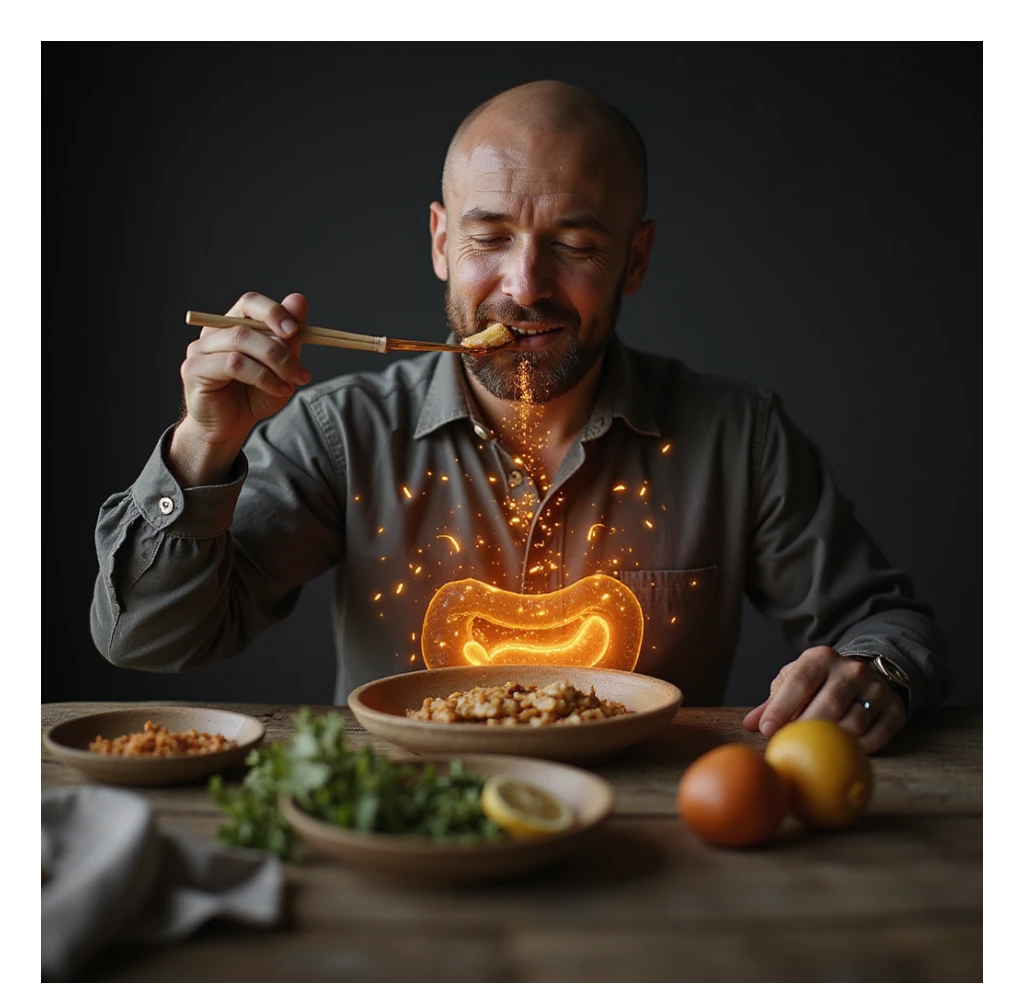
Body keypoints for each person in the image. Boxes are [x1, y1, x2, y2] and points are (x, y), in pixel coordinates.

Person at [90, 80, 950, 753]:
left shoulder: (740, 438)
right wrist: (206, 443)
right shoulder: (337, 435)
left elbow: (891, 624)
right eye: (489, 237)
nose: (525, 285)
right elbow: (147, 641)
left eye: (574, 245)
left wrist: (874, 671)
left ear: (635, 259)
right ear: (439, 243)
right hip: (403, 837)